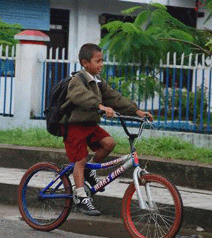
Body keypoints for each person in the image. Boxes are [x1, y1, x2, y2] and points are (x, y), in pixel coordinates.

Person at [60, 43, 153, 216]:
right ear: (85, 63)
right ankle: (80, 196)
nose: (102, 64)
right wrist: (100, 106)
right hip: (74, 126)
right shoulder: (77, 80)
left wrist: (136, 111)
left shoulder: (98, 82)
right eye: (98, 61)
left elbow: (115, 98)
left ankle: (89, 171)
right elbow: (80, 96)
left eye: (102, 60)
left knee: (109, 143)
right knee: (80, 160)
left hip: (90, 125)